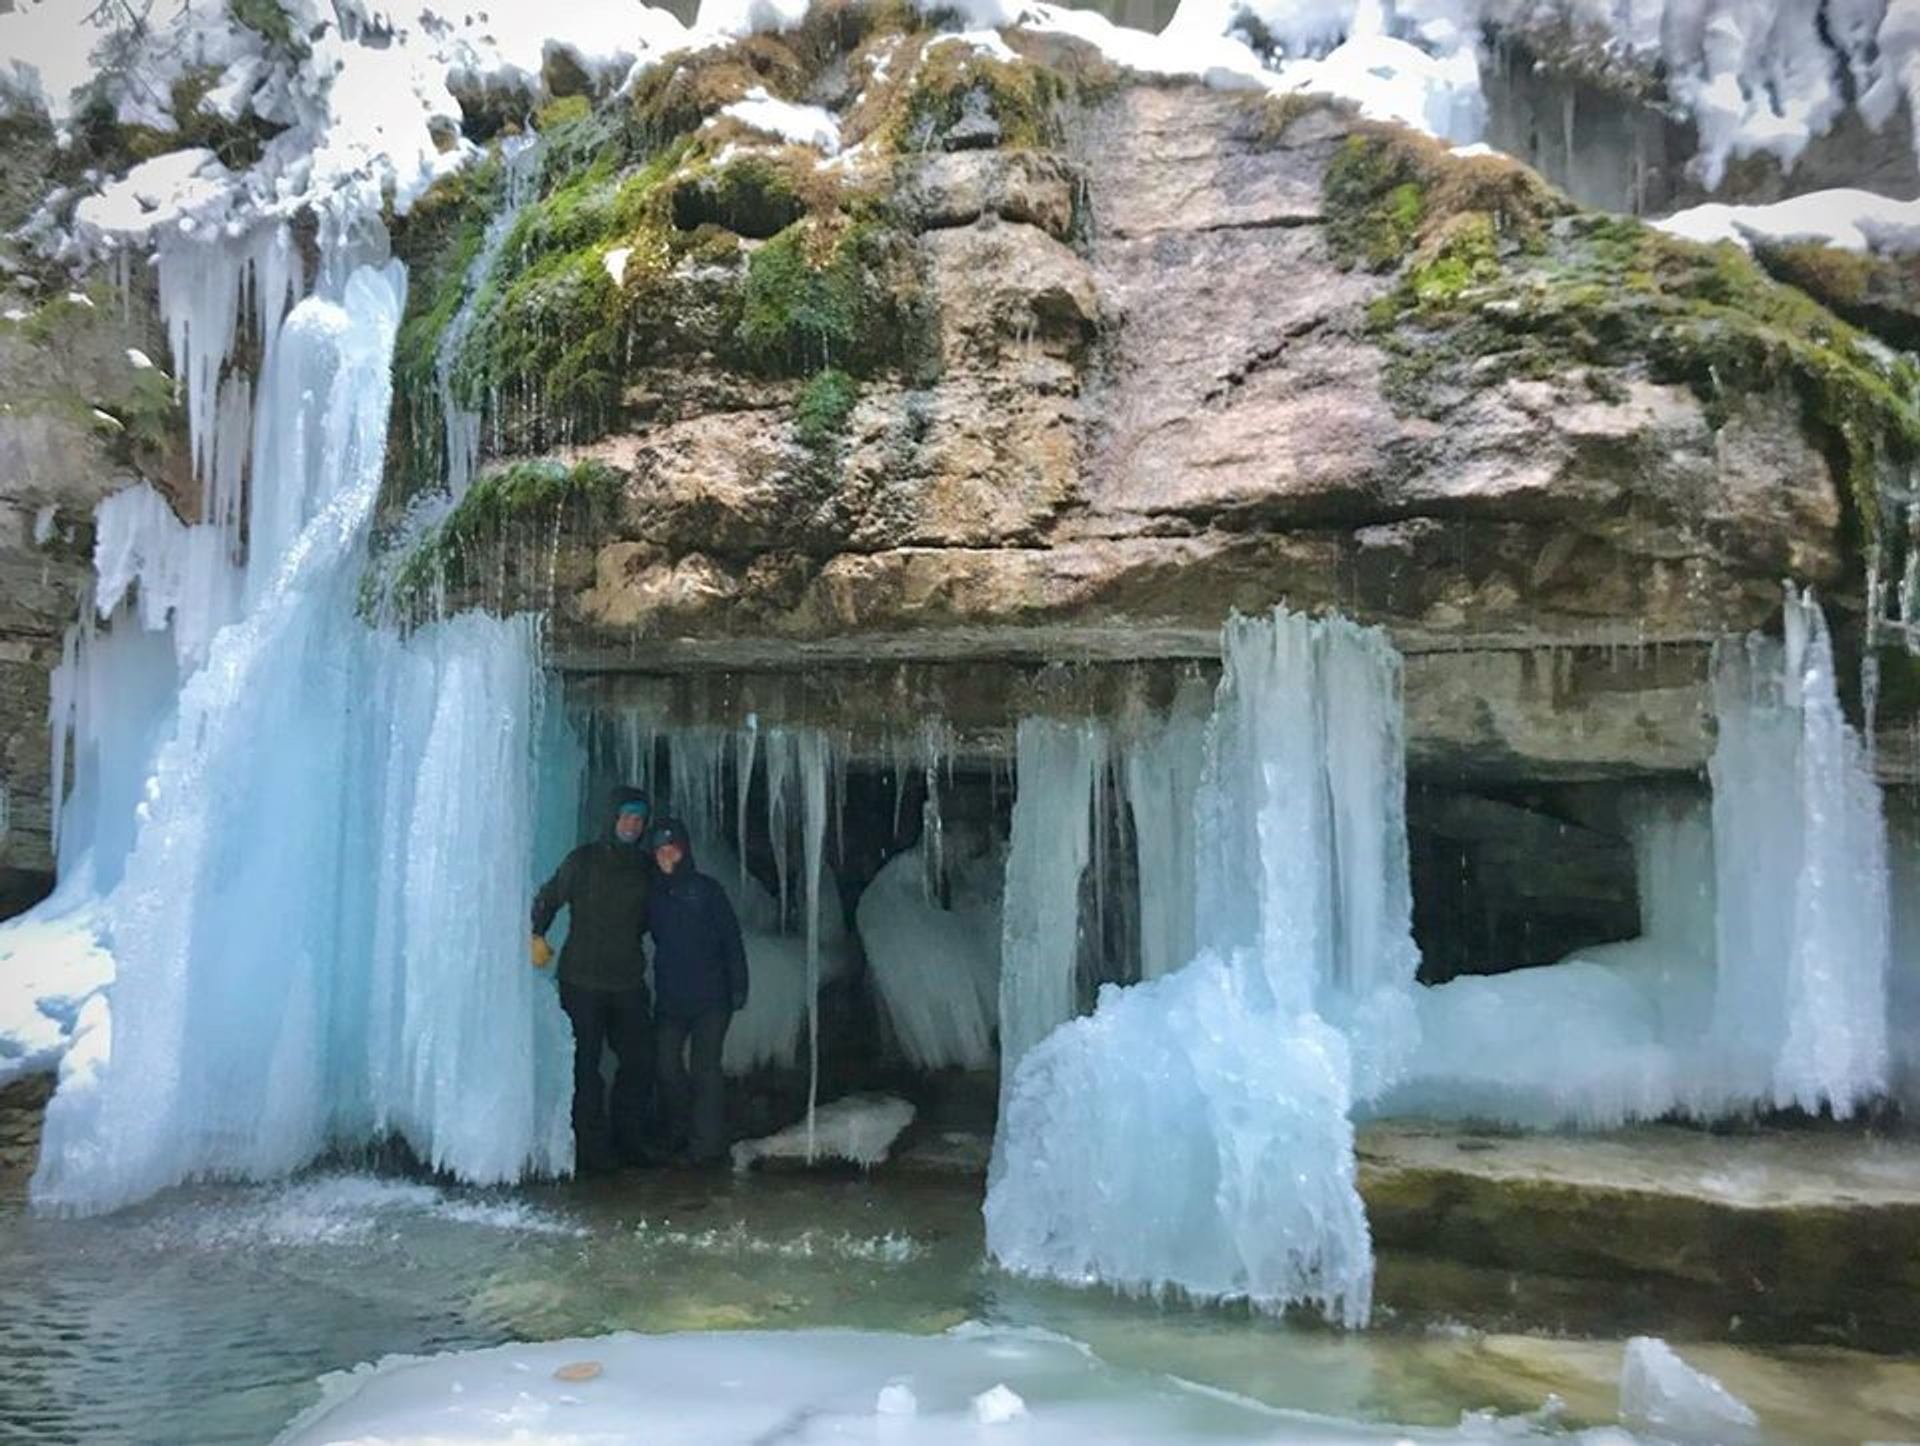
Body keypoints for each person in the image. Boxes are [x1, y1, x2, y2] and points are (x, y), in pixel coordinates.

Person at [531, 786, 656, 1174]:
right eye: (627, 817)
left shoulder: (645, 868)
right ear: (612, 819)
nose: (632, 825)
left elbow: (656, 916)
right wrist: (536, 934)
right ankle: (591, 1149)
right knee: (585, 1067)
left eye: (639, 820)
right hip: (581, 981)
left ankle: (629, 1141)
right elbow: (549, 897)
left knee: (639, 1061)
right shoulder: (582, 861)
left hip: (627, 981)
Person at [645, 817, 748, 1166]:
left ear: (684, 850)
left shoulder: (707, 890)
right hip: (671, 1001)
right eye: (660, 850)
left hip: (711, 1000)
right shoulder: (653, 894)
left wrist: (739, 985)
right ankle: (677, 1133)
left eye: (672, 849)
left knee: (705, 1069)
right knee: (666, 1067)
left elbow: (731, 938)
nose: (666, 856)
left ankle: (705, 1146)